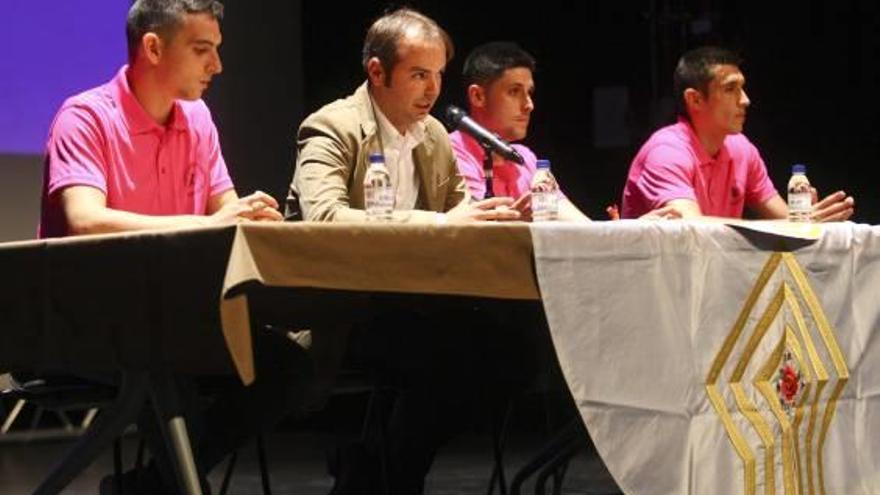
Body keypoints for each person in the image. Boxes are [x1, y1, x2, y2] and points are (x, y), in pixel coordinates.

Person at [38, 1, 305, 492]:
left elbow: (227, 210)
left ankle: (147, 487)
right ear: (154, 48)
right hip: (83, 324)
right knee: (169, 363)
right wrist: (213, 223)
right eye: (202, 50)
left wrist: (251, 214)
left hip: (172, 316)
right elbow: (85, 220)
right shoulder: (85, 116)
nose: (218, 66)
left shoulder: (198, 118)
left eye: (217, 51)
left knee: (292, 365)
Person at [287, 10, 519, 223]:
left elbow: (463, 211)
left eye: (438, 75)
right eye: (419, 75)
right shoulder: (332, 126)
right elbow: (324, 216)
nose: (433, 89)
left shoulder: (435, 134)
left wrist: (511, 217)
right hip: (335, 268)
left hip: (412, 268)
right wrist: (439, 223)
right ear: (377, 72)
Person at [621, 46, 854, 221]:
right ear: (695, 99)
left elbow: (784, 221)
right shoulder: (666, 151)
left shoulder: (741, 148)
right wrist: (789, 225)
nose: (745, 100)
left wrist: (805, 220)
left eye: (742, 88)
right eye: (730, 89)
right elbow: (693, 233)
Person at [450, 41, 589, 221]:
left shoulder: (526, 157)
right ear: (478, 96)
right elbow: (484, 230)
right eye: (514, 91)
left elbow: (581, 226)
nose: (529, 105)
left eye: (529, 92)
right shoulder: (451, 152)